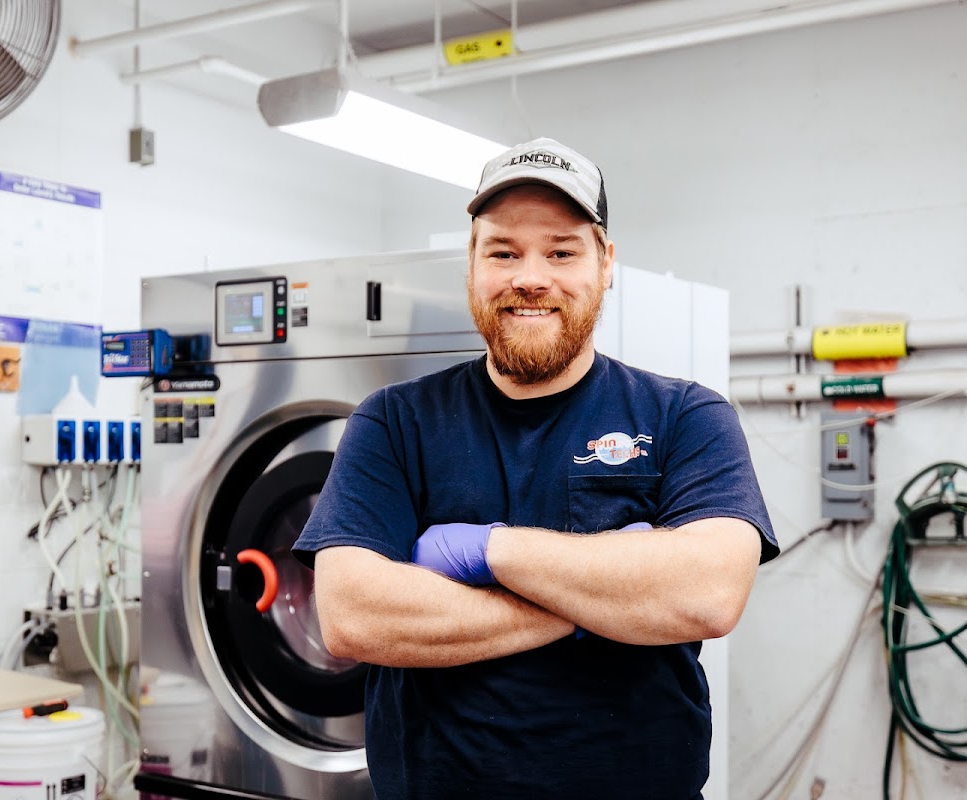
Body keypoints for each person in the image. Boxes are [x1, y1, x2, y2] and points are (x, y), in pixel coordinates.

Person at [292, 137, 778, 800]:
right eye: (503, 252)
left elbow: (707, 593)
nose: (530, 277)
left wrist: (483, 550)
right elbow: (354, 616)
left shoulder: (684, 416)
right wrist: (606, 601)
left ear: (606, 264)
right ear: (471, 264)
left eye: (561, 251)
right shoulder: (394, 421)